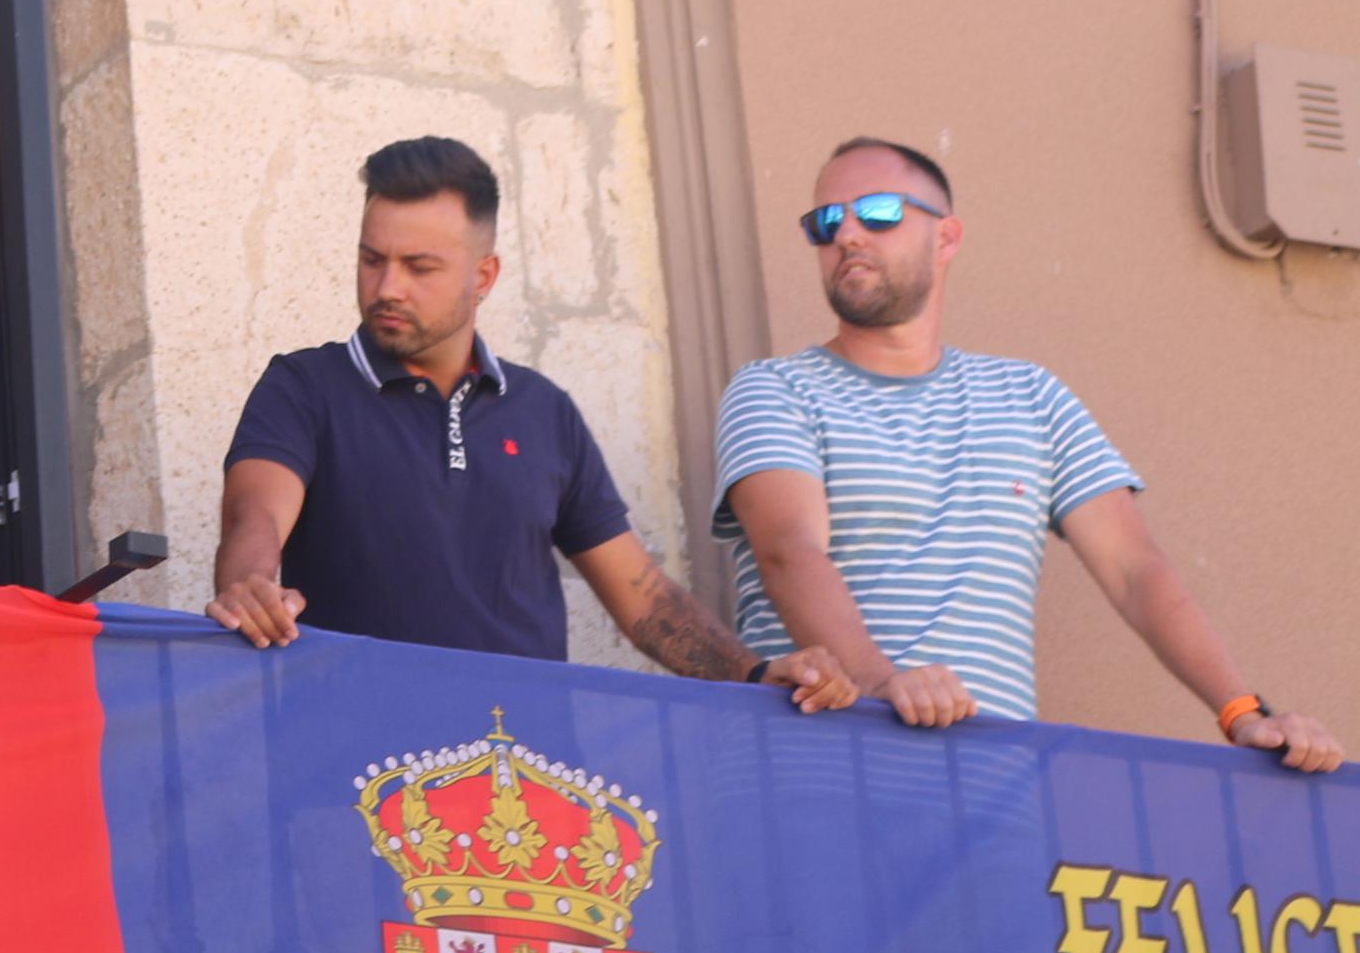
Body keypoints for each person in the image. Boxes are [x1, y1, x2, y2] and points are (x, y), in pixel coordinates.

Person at [714, 136, 1339, 768]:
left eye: (876, 212)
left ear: (946, 237)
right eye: (824, 223)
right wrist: (880, 686)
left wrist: (1243, 715)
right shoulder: (775, 388)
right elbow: (788, 550)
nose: (846, 234)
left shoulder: (1032, 397)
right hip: (813, 770)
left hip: (991, 794)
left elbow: (1135, 571)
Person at [212, 136, 850, 704]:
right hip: (346, 781)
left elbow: (644, 598)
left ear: (483, 276)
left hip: (523, 790)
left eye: (419, 267)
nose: (387, 287)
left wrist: (753, 675)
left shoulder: (544, 411)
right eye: (372, 259)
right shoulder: (303, 387)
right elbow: (255, 517)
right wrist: (249, 587)